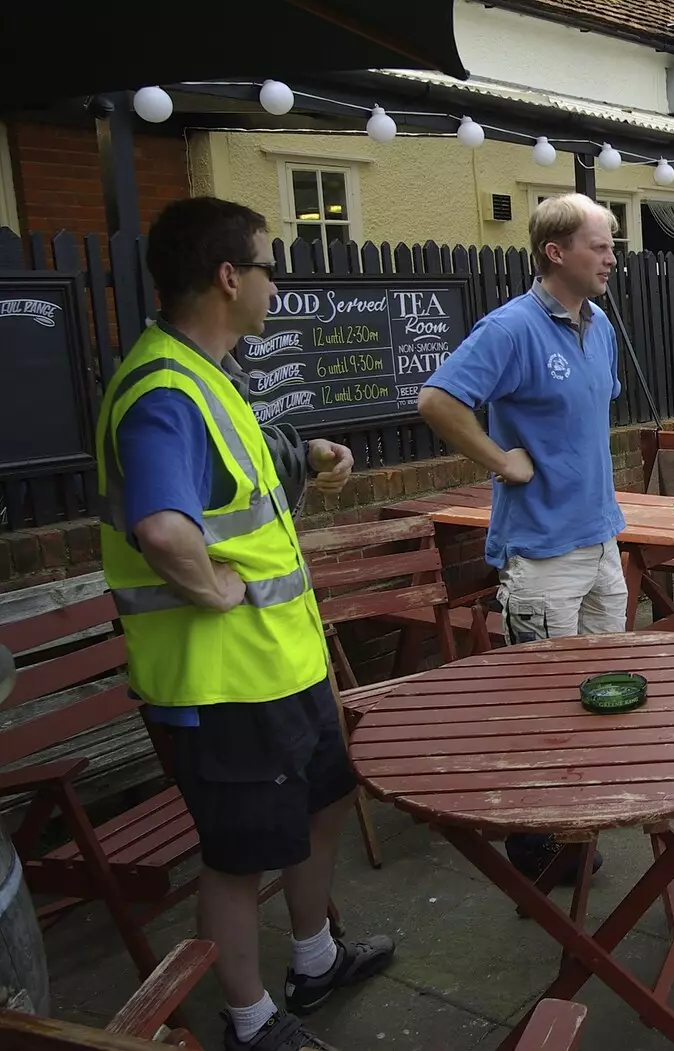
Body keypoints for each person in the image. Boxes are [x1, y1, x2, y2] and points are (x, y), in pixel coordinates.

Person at [96, 197, 393, 1051]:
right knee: (236, 855)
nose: (277, 285)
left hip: (281, 665)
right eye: (270, 267)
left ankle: (314, 956)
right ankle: (252, 1021)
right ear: (230, 277)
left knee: (325, 802)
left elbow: (233, 486)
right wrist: (213, 589)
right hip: (221, 683)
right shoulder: (163, 389)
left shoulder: (207, 372)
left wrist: (310, 456)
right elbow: (163, 526)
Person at [418, 193, 626, 885]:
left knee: (603, 692)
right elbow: (437, 400)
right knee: (543, 706)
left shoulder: (598, 325)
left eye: (613, 242)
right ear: (555, 252)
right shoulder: (509, 329)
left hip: (602, 544)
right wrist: (501, 459)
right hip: (541, 556)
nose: (612, 256)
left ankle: (584, 811)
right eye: (600, 244)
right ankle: (535, 842)